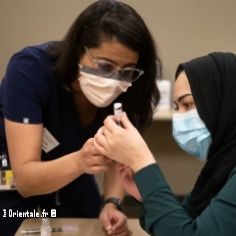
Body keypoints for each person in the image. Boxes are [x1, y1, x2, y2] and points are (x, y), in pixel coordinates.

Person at [0, 0, 161, 235]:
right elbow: (25, 179)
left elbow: (119, 156)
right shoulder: (30, 71)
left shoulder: (130, 86)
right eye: (105, 66)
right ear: (77, 50)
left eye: (126, 71)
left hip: (74, 186)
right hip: (13, 189)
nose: (115, 80)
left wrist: (112, 203)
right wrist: (80, 162)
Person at [94, 52, 236, 235]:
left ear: (224, 103)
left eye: (188, 104)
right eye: (176, 107)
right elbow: (181, 223)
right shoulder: (220, 166)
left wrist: (141, 160)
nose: (180, 117)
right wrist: (145, 194)